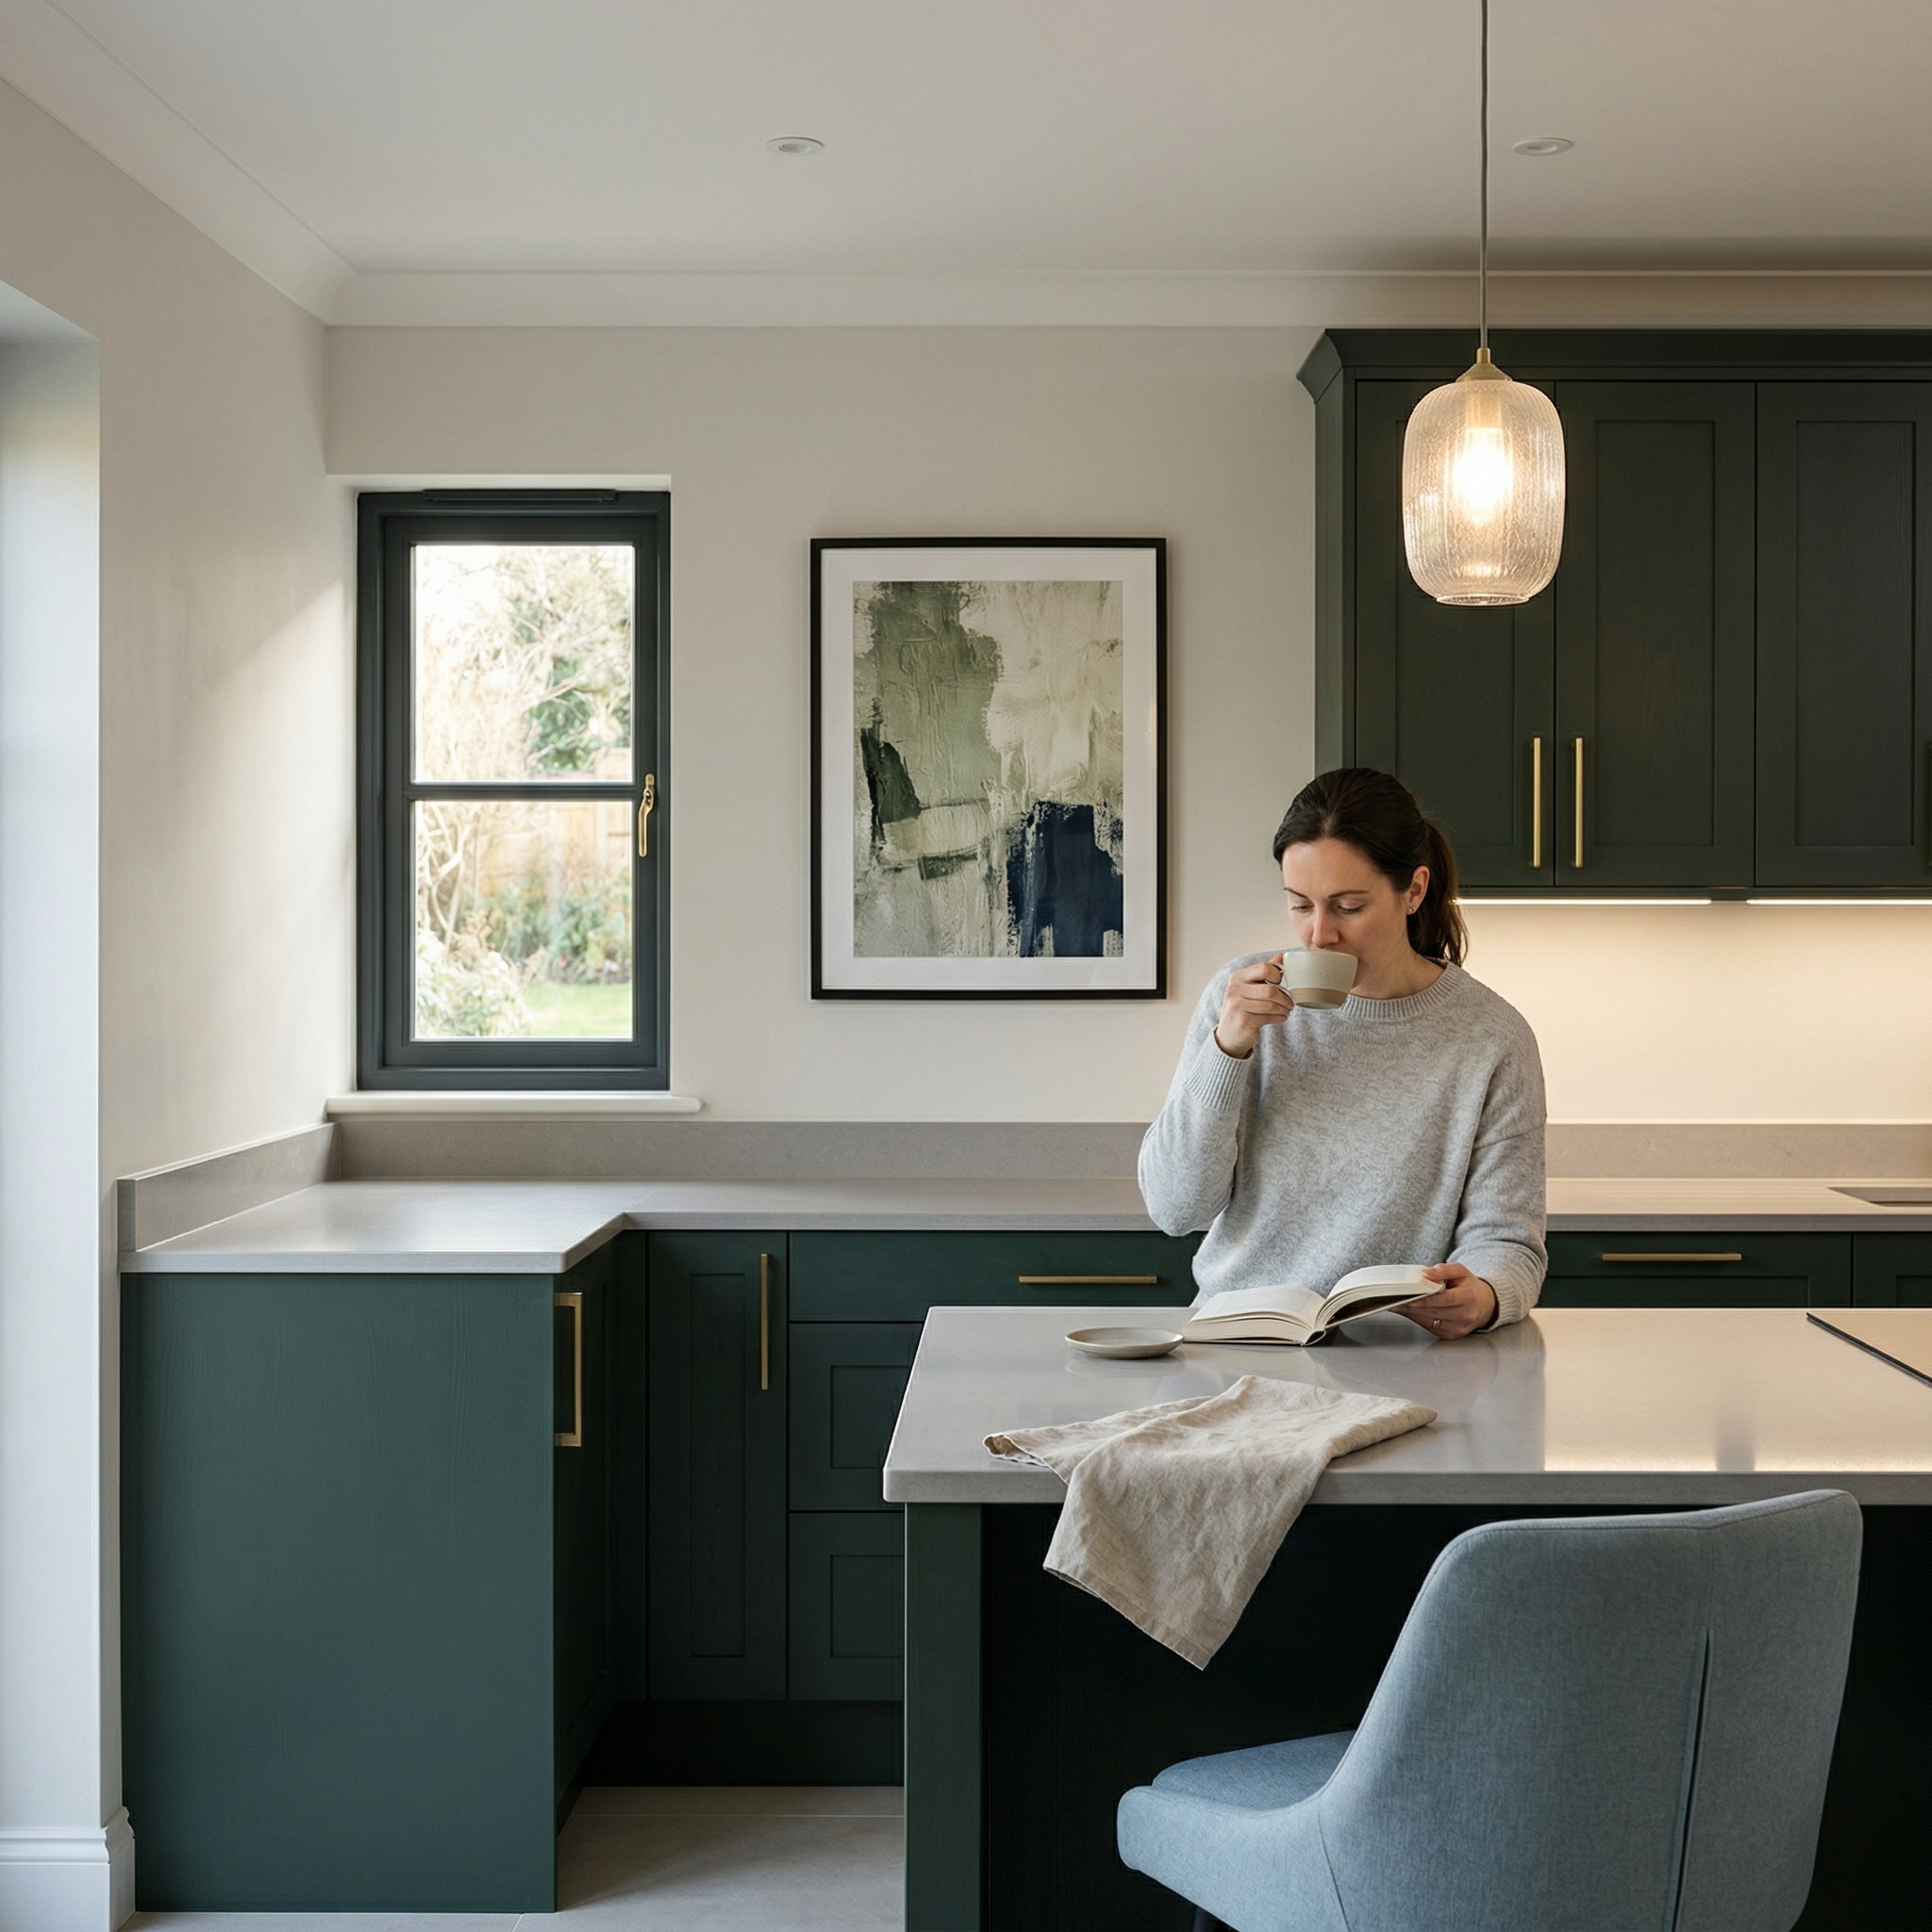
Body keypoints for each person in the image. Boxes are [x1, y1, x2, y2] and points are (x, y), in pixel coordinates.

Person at [1140, 767, 1546, 1339]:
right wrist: (1226, 1051)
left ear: (1415, 889)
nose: (1319, 935)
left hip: (1404, 1354)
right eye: (1300, 905)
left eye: (1348, 906)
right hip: (1242, 1341)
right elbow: (1176, 1209)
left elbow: (1508, 1241)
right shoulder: (1238, 1000)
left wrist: (1484, 1294)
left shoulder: (1492, 1036)